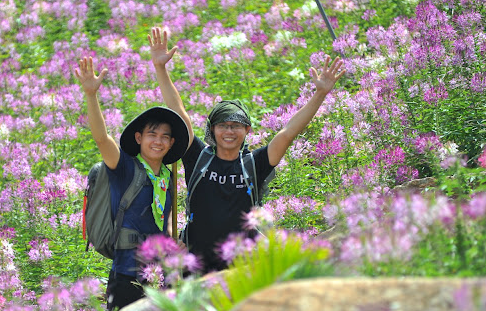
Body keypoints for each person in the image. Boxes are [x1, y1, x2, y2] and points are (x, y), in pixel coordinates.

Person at [148, 27, 346, 273]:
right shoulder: (198, 156)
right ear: (212, 129)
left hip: (244, 268)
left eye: (236, 126)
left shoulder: (255, 163)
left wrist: (320, 94)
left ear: (247, 130)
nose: (229, 131)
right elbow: (179, 111)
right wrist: (160, 68)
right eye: (222, 125)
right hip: (195, 263)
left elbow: (287, 132)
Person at [74, 56, 189, 311]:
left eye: (164, 137)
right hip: (126, 276)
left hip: (161, 279)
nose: (158, 141)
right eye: (152, 134)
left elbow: (160, 224)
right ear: (138, 138)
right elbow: (102, 139)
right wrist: (91, 95)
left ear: (171, 144)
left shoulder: (167, 178)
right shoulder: (125, 168)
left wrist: (173, 244)